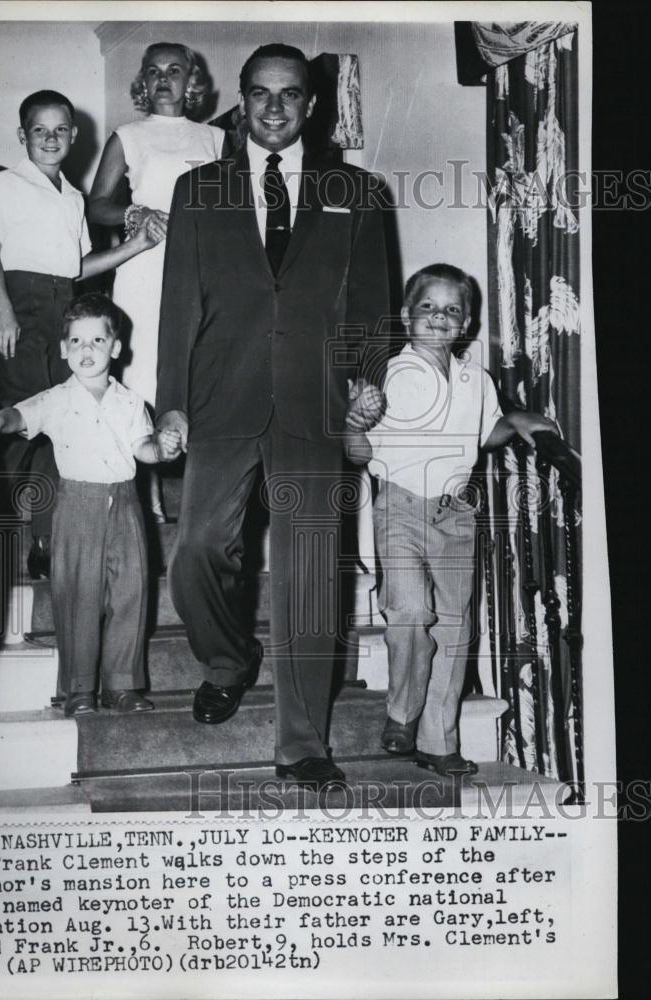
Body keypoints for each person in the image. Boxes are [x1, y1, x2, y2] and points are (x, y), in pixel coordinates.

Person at [155, 44, 390, 791]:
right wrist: (170, 402)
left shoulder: (359, 192)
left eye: (289, 95)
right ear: (241, 101)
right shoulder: (197, 191)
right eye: (260, 94)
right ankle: (228, 659)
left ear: (310, 103)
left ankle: (301, 744)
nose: (275, 108)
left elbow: (371, 309)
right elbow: (177, 309)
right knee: (195, 549)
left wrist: (364, 387)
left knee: (309, 574)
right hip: (221, 397)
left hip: (314, 402)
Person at [345, 263, 559, 777]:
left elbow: (483, 435)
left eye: (452, 310)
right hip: (399, 504)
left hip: (456, 512)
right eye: (428, 307)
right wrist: (354, 419)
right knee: (411, 610)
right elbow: (358, 453)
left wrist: (513, 420)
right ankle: (401, 712)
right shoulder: (388, 375)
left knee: (456, 628)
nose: (440, 318)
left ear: (466, 322)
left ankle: (438, 741)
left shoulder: (475, 378)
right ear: (405, 316)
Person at [0, 293, 181, 717]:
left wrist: (164, 447)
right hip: (77, 505)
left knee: (130, 594)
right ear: (64, 349)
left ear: (115, 348)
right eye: (77, 342)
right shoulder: (56, 399)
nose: (87, 350)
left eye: (97, 341)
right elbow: (18, 416)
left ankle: (122, 685)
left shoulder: (131, 403)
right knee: (78, 597)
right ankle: (80, 688)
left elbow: (144, 449)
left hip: (127, 507)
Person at [0, 89, 165, 578]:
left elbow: (78, 267)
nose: (51, 138)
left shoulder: (75, 197)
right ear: (23, 135)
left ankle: (44, 538)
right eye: (40, 130)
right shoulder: (5, 184)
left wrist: (138, 245)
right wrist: (4, 313)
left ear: (74, 136)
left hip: (64, 308)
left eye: (60, 129)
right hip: (22, 306)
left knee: (63, 416)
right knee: (18, 419)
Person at [89, 42, 224, 519]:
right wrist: (134, 210)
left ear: (192, 82)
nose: (163, 78)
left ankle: (201, 495)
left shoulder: (215, 139)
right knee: (142, 374)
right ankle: (143, 495)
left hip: (200, 268)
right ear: (143, 84)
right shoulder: (129, 134)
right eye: (153, 71)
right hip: (145, 266)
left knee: (196, 371)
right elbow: (97, 203)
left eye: (174, 70)